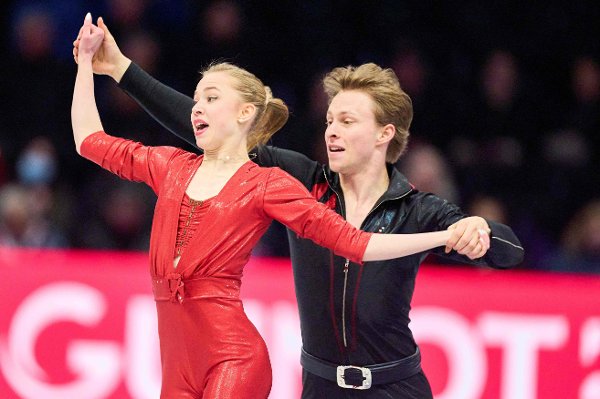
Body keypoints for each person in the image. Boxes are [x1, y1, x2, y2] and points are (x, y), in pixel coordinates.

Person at [73, 17, 524, 398]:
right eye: (330, 120)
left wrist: (475, 228)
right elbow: (213, 132)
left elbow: (507, 251)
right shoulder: (299, 179)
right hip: (320, 385)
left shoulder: (420, 209)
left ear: (385, 134)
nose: (331, 130)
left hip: (396, 386)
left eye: (347, 121)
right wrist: (122, 71)